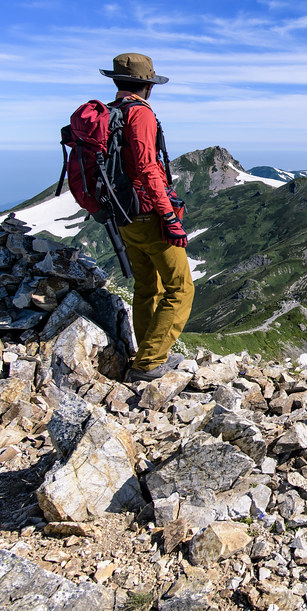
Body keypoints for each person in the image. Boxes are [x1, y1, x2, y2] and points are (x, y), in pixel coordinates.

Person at [100, 53, 194, 382]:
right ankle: (150, 361)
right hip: (146, 213)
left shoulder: (112, 114)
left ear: (117, 81)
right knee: (181, 288)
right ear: (147, 86)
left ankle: (146, 352)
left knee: (146, 287)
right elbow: (146, 168)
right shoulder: (139, 114)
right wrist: (168, 217)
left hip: (122, 214)